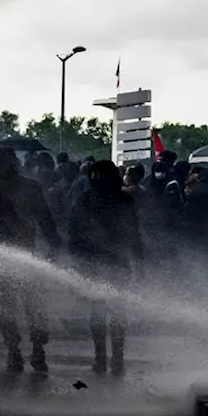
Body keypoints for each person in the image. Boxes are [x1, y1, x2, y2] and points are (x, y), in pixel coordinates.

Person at [0, 147, 61, 373]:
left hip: (10, 255)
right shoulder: (24, 187)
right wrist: (54, 243)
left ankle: (25, 351)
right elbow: (45, 219)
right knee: (22, 306)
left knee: (17, 306)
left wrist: (54, 243)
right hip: (15, 255)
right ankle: (25, 351)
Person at [67, 160, 144, 375]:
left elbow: (73, 235)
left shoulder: (85, 200)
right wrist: (140, 262)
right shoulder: (124, 200)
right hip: (118, 263)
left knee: (98, 311)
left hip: (94, 263)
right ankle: (117, 359)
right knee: (117, 311)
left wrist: (76, 263)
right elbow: (134, 235)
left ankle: (100, 358)